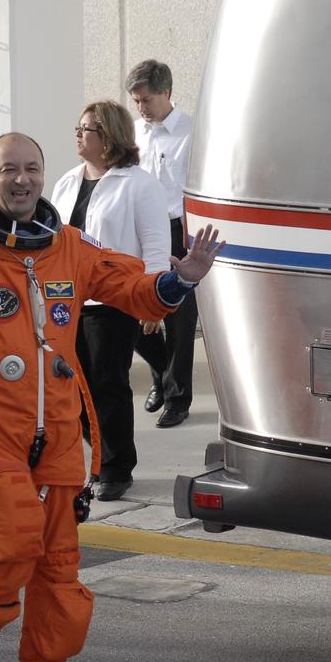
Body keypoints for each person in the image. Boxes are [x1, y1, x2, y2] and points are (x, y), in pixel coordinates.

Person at [0, 132, 223, 662]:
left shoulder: (68, 248)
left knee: (58, 566)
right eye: (8, 171)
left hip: (53, 433)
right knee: (14, 545)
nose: (20, 180)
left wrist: (179, 280)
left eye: (31, 169)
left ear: (43, 176)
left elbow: (131, 288)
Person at [51, 100, 170, 502]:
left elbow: (155, 244)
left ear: (109, 136)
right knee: (74, 388)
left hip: (116, 300)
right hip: (68, 301)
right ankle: (100, 456)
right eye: (78, 127)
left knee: (108, 384)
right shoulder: (67, 181)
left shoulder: (139, 184)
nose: (78, 135)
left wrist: (153, 300)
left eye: (87, 129)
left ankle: (116, 468)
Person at [127, 60, 197, 429]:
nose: (141, 107)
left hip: (176, 229)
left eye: (147, 99)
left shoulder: (192, 132)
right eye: (136, 101)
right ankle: (160, 373)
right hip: (138, 229)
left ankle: (177, 397)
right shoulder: (134, 133)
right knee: (134, 309)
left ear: (167, 92)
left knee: (179, 318)